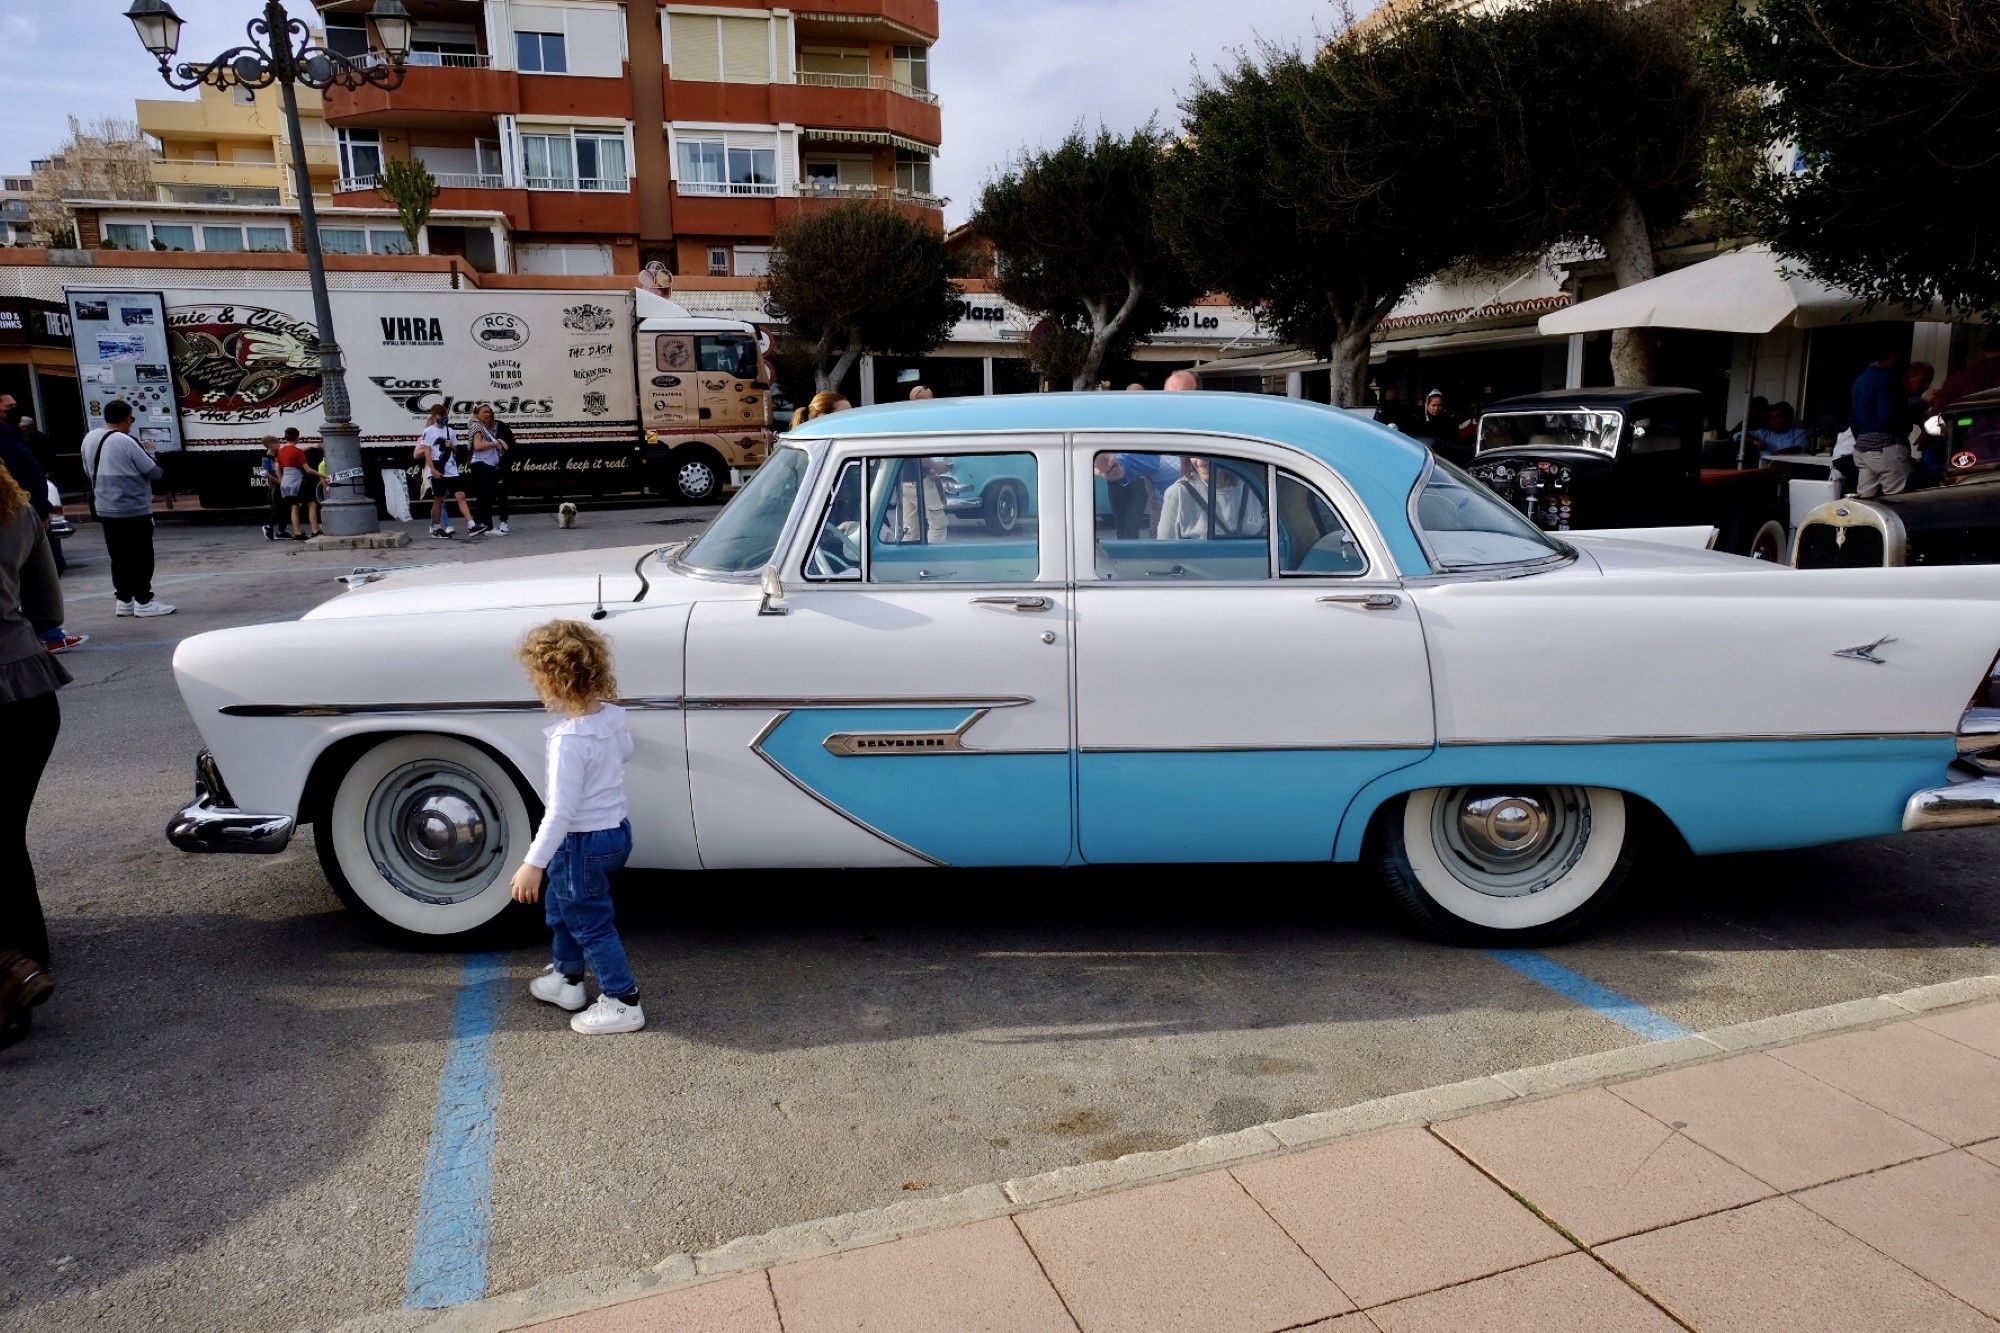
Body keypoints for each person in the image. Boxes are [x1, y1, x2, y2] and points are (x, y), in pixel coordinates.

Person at [510, 619, 643, 1036]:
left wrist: (533, 862)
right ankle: (568, 979)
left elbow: (560, 810)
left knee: (588, 920)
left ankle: (623, 1001)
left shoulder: (569, 740)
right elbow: (626, 753)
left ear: (550, 681)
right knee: (565, 907)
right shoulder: (611, 719)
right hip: (614, 834)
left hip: (581, 842)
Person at [0, 462, 66, 1049]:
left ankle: (14, 967)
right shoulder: (17, 509)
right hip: (27, 688)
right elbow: (49, 612)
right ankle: (27, 958)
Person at [82, 401, 173, 617]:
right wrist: (150, 451)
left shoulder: (89, 438)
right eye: (131, 419)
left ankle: (124, 600)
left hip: (104, 506)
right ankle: (144, 601)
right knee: (141, 555)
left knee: (119, 555)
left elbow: (87, 471)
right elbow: (153, 472)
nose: (131, 424)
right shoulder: (126, 441)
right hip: (132, 507)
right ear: (125, 419)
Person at [1157, 455, 1267, 539]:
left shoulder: (1254, 488)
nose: (1200, 462)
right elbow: (1164, 552)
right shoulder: (1177, 494)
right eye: (1194, 454)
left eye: (1207, 454)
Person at [1850, 349, 1912, 497]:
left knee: (1866, 499)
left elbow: (1852, 418)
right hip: (1885, 446)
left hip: (1862, 447)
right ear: (1892, 356)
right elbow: (1888, 417)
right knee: (1898, 499)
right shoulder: (1886, 378)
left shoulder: (1861, 378)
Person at [416, 405, 473, 538]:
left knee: (461, 495)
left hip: (451, 469)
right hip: (438, 466)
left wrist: (451, 446)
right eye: (442, 417)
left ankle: (471, 524)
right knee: (439, 499)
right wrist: (433, 469)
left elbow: (456, 450)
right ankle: (436, 527)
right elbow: (427, 451)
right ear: (435, 416)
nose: (444, 419)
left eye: (446, 416)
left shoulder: (451, 431)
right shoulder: (428, 431)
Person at [467, 404, 507, 537]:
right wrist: (495, 444)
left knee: (484, 497)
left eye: (489, 412)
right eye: (484, 412)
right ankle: (488, 527)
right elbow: (478, 446)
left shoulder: (483, 427)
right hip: (482, 465)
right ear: (477, 414)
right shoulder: (477, 426)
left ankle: (478, 525)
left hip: (485, 465)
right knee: (487, 496)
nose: (487, 414)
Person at [275, 427, 311, 540]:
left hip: (285, 481)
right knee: (297, 506)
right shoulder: (298, 451)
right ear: (297, 437)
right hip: (296, 481)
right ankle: (298, 533)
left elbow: (277, 467)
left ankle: (298, 531)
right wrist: (323, 476)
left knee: (293, 506)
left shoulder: (280, 451)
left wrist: (281, 480)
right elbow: (307, 469)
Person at [258, 435, 287, 541]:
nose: (279, 445)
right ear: (270, 445)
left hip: (282, 485)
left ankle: (281, 531)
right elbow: (265, 474)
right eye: (277, 443)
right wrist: (279, 481)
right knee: (279, 508)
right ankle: (268, 526)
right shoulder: (266, 459)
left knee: (285, 508)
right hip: (275, 487)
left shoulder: (277, 456)